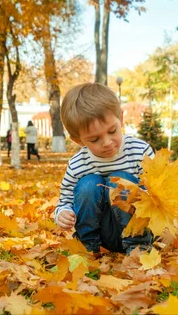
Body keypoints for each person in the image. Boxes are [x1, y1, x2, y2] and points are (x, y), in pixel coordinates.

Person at [55, 83, 155, 255]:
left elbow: (157, 191)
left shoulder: (140, 151)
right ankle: (88, 246)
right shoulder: (78, 163)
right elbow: (65, 199)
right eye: (94, 139)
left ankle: (139, 247)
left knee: (120, 180)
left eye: (112, 131)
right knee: (88, 184)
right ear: (78, 140)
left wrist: (143, 194)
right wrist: (63, 213)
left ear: (121, 119)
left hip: (136, 226)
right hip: (102, 233)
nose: (107, 142)